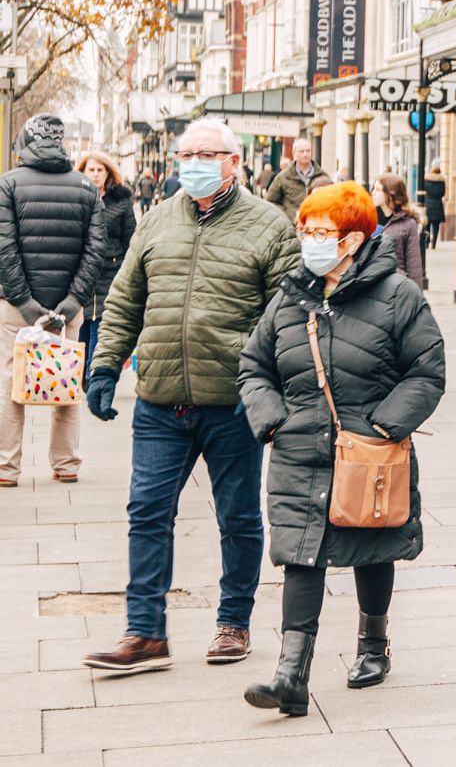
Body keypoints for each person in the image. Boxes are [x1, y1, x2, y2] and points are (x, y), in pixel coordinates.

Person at [81, 117, 301, 675]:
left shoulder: (270, 226)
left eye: (206, 153)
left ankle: (233, 622)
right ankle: (145, 633)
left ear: (234, 163)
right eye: (187, 154)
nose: (194, 163)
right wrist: (104, 366)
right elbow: (126, 299)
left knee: (239, 517)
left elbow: (288, 319)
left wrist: (270, 389)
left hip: (231, 401)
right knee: (148, 511)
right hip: (159, 400)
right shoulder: (156, 221)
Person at [238, 182, 445, 717]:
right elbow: (254, 365)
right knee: (300, 555)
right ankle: (291, 675)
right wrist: (273, 420)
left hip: (367, 449)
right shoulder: (290, 295)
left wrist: (384, 428)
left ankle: (373, 646)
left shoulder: (399, 295)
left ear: (353, 239)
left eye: (321, 232)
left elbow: (426, 372)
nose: (309, 239)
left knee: (373, 546)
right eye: (305, 230)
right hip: (299, 448)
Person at [0, 116, 106, 487]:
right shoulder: (85, 188)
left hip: (16, 307)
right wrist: (73, 301)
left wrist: (24, 302)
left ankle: (5, 467)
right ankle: (66, 464)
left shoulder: (8, 185)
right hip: (67, 310)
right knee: (66, 381)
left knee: (11, 383)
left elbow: (4, 248)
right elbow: (95, 250)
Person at [77, 152, 138, 377]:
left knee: (100, 321)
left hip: (111, 270)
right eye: (91, 170)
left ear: (108, 173)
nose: (95, 175)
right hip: (83, 270)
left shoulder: (121, 202)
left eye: (99, 170)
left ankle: (91, 374)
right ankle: (82, 370)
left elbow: (130, 238)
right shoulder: (77, 198)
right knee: (83, 322)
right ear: (83, 172)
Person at [372, 174, 425, 287]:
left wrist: (416, 296)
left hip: (396, 286)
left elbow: (413, 264)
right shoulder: (370, 219)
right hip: (372, 284)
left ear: (390, 194)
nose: (372, 193)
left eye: (377, 190)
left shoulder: (407, 223)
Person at [266, 139, 327, 223]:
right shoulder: (283, 177)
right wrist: (286, 214)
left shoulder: (322, 176)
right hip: (292, 226)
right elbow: (269, 201)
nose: (305, 154)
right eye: (301, 151)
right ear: (294, 153)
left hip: (316, 226)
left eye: (308, 151)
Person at [421, 166, 447, 250]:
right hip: (437, 205)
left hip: (428, 204)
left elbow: (423, 191)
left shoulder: (426, 180)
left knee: (427, 225)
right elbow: (442, 193)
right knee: (436, 225)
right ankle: (434, 243)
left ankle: (426, 243)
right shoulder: (441, 181)